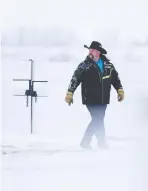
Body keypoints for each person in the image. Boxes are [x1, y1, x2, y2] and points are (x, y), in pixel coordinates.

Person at [65, 41, 124, 149]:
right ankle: (86, 141)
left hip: (103, 98)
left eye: (93, 49)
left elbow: (115, 79)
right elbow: (75, 79)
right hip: (90, 98)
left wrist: (119, 90)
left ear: (98, 52)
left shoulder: (108, 65)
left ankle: (101, 143)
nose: (90, 51)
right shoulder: (84, 65)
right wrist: (70, 92)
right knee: (97, 119)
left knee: (99, 119)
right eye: (89, 49)